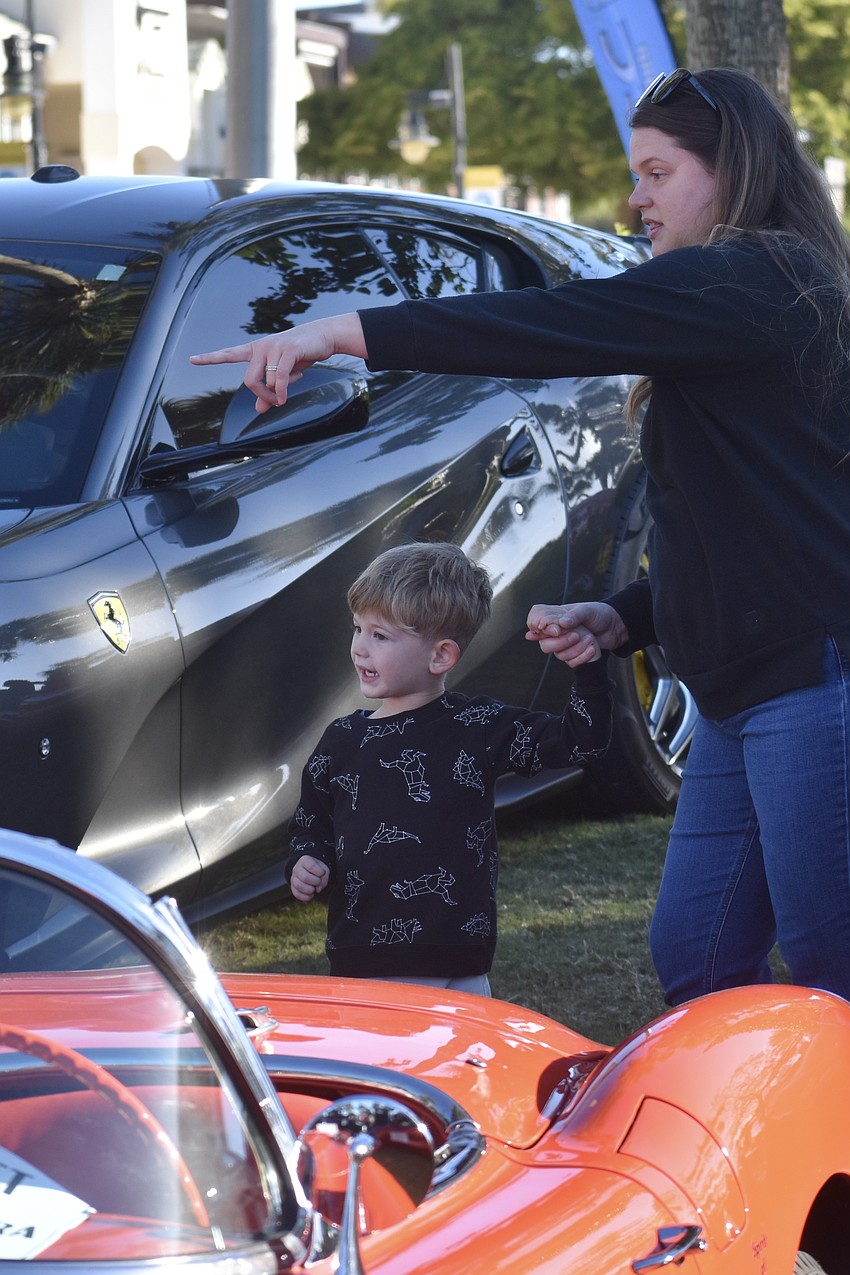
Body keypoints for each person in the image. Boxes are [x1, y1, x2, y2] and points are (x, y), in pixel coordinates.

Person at [190, 67, 850, 1008]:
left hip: (810, 684)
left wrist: (342, 332)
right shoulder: (740, 295)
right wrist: (624, 616)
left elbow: (550, 324)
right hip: (741, 691)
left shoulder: (754, 278)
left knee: (832, 961)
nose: (637, 198)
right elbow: (756, 522)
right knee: (698, 961)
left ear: (730, 171)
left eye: (658, 174)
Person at [283, 541, 612, 995]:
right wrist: (306, 860)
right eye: (358, 629)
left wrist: (589, 671)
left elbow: (580, 743)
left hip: (465, 961)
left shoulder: (478, 727)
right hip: (370, 962)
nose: (360, 648)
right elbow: (310, 822)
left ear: (441, 656)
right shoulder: (341, 740)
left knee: (466, 1067)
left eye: (381, 636)